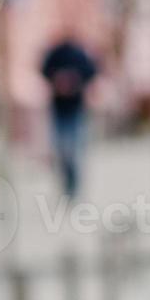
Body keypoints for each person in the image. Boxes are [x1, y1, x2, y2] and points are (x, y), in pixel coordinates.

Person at [40, 39, 97, 199]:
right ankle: (66, 183)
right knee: (61, 150)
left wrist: (75, 79)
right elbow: (44, 70)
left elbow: (91, 71)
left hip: (76, 108)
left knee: (73, 149)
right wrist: (56, 79)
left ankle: (73, 185)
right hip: (58, 109)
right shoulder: (55, 53)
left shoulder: (79, 53)